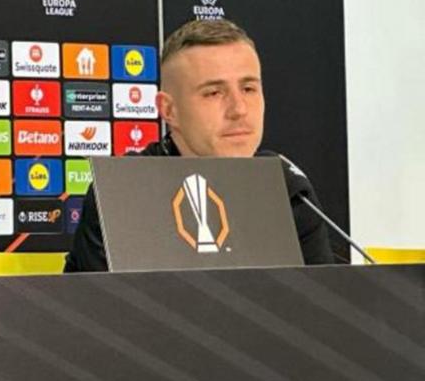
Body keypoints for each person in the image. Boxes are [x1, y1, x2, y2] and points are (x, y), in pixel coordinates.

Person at [65, 19, 335, 272]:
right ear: (168, 110)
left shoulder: (287, 188)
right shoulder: (123, 191)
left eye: (248, 89)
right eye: (214, 93)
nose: (239, 109)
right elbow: (101, 305)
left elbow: (322, 300)